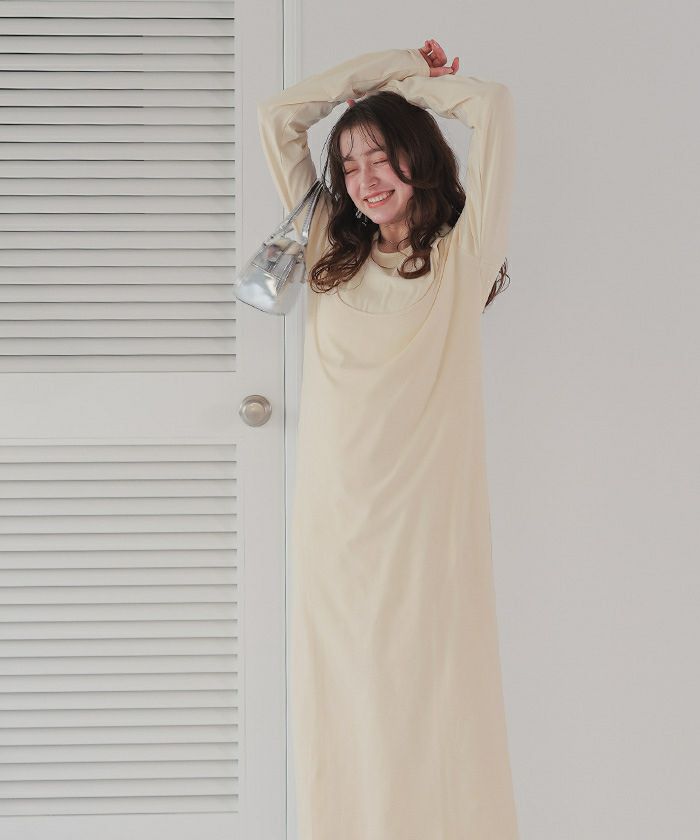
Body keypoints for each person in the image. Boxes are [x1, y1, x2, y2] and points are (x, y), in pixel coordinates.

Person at [257, 38, 518, 840]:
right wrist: (381, 67)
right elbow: (277, 117)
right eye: (349, 164)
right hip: (336, 526)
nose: (365, 179)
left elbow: (493, 107)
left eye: (381, 157)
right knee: (342, 702)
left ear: (419, 159)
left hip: (427, 529)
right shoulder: (329, 246)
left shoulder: (464, 255)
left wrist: (414, 82)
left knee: (432, 703)